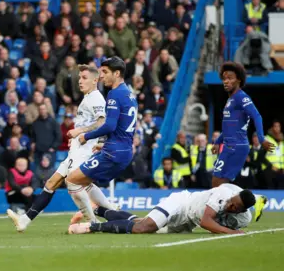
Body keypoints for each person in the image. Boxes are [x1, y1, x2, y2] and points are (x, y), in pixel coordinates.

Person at [7, 64, 112, 232]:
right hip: (76, 149)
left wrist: (80, 131)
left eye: (84, 78)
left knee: (75, 184)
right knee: (51, 183)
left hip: (84, 152)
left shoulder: (96, 98)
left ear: (95, 80)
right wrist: (76, 138)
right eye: (79, 77)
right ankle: (24, 221)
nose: (80, 81)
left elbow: (102, 122)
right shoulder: (88, 97)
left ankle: (93, 222)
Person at [66, 57, 137, 219]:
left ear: (117, 73)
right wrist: (104, 144)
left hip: (113, 152)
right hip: (123, 150)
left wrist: (86, 135)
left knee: (72, 180)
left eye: (105, 72)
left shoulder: (114, 94)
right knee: (84, 182)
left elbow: (109, 125)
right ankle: (122, 217)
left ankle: (94, 221)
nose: (101, 76)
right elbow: (122, 126)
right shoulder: (129, 95)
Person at [69, 184, 255, 235]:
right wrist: (230, 233)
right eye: (232, 201)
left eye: (234, 207)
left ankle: (100, 210)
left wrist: (230, 230)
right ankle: (90, 227)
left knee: (138, 223)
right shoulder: (223, 193)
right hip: (181, 204)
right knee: (146, 227)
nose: (230, 205)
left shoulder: (243, 219)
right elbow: (207, 221)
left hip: (186, 223)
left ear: (242, 211)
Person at [213, 62, 273, 221]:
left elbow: (257, 116)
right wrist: (218, 142)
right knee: (220, 184)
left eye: (230, 78)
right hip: (229, 145)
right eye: (224, 78)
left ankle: (221, 216)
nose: (226, 81)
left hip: (237, 146)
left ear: (238, 79)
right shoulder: (230, 100)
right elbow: (228, 126)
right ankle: (256, 198)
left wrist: (261, 139)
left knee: (217, 183)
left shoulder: (241, 97)